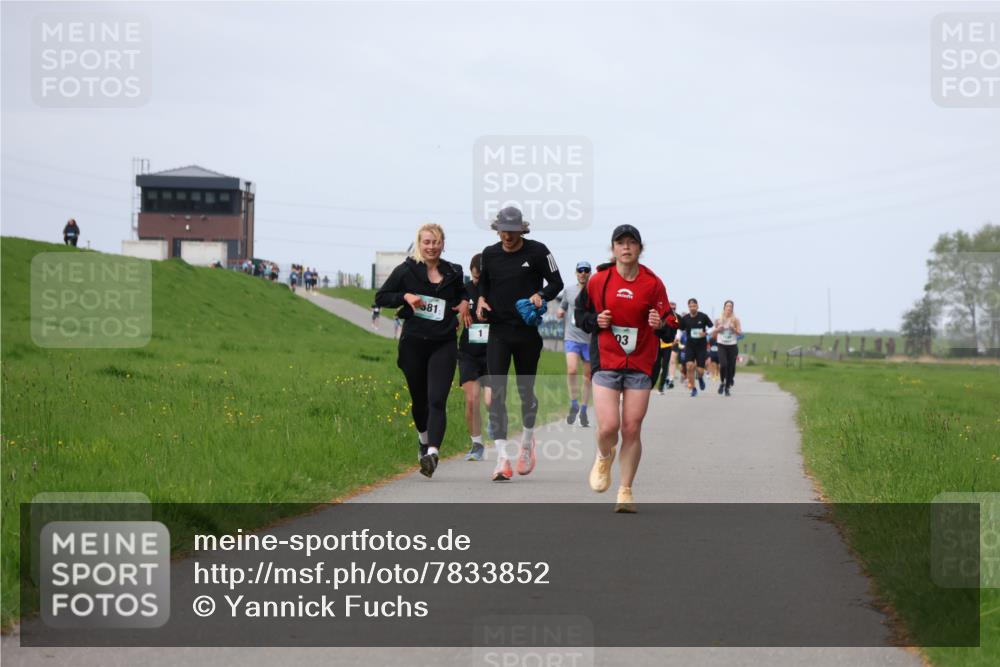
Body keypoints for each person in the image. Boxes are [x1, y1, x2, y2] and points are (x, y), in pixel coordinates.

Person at [575, 225, 677, 513]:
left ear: (640, 249)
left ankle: (625, 490)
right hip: (607, 360)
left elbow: (672, 325)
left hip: (641, 363)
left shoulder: (653, 284)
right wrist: (597, 321)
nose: (626, 247)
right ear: (613, 249)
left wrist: (662, 326)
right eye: (621, 243)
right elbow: (580, 315)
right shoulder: (599, 281)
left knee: (632, 427)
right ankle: (604, 455)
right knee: (609, 426)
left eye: (632, 243)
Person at [375, 223, 471, 478]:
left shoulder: (453, 271)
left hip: (444, 343)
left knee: (437, 399)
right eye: (427, 242)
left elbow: (463, 293)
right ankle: (423, 439)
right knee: (420, 401)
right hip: (414, 343)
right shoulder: (406, 270)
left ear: (442, 244)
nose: (431, 247)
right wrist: (405, 296)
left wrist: (463, 303)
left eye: (436, 242)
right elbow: (381, 297)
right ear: (420, 243)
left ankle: (432, 453)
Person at [476, 206, 564, 482]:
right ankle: (502, 459)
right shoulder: (489, 254)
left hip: (526, 332)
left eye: (513, 231)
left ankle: (527, 442)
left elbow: (556, 282)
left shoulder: (538, 252)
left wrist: (540, 295)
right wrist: (480, 300)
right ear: (497, 229)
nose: (507, 236)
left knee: (526, 392)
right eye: (503, 230)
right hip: (498, 331)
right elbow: (483, 286)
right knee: (497, 394)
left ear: (521, 230)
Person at [458, 253, 492, 461]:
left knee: (490, 402)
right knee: (472, 400)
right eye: (474, 277)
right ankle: (477, 444)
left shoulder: (495, 290)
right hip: (468, 352)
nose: (476, 281)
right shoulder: (464, 290)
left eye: (480, 277)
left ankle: (494, 422)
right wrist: (459, 315)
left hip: (492, 352)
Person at [557, 261, 593, 427]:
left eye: (586, 271)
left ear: (590, 273)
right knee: (571, 370)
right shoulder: (569, 290)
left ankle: (584, 410)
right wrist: (560, 312)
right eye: (580, 270)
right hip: (571, 337)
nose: (583, 273)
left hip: (589, 339)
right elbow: (563, 306)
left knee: (588, 376)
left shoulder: (594, 291)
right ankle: (574, 403)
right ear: (576, 272)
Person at [679, 298, 713, 397]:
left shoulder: (703, 317)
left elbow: (712, 327)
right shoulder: (685, 319)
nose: (692, 308)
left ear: (697, 306)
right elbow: (680, 330)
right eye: (690, 306)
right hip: (690, 346)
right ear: (688, 307)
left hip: (701, 347)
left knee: (700, 371)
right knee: (689, 366)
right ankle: (693, 388)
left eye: (694, 306)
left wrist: (706, 333)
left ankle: (701, 378)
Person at [715, 300, 742, 396]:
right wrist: (718, 329)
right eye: (727, 306)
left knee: (731, 368)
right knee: (723, 365)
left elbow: (740, 333)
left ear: (732, 309)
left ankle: (727, 387)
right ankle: (722, 382)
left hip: (732, 346)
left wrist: (733, 329)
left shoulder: (735, 320)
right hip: (721, 345)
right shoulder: (718, 320)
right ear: (724, 308)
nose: (729, 308)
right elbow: (714, 334)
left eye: (731, 306)